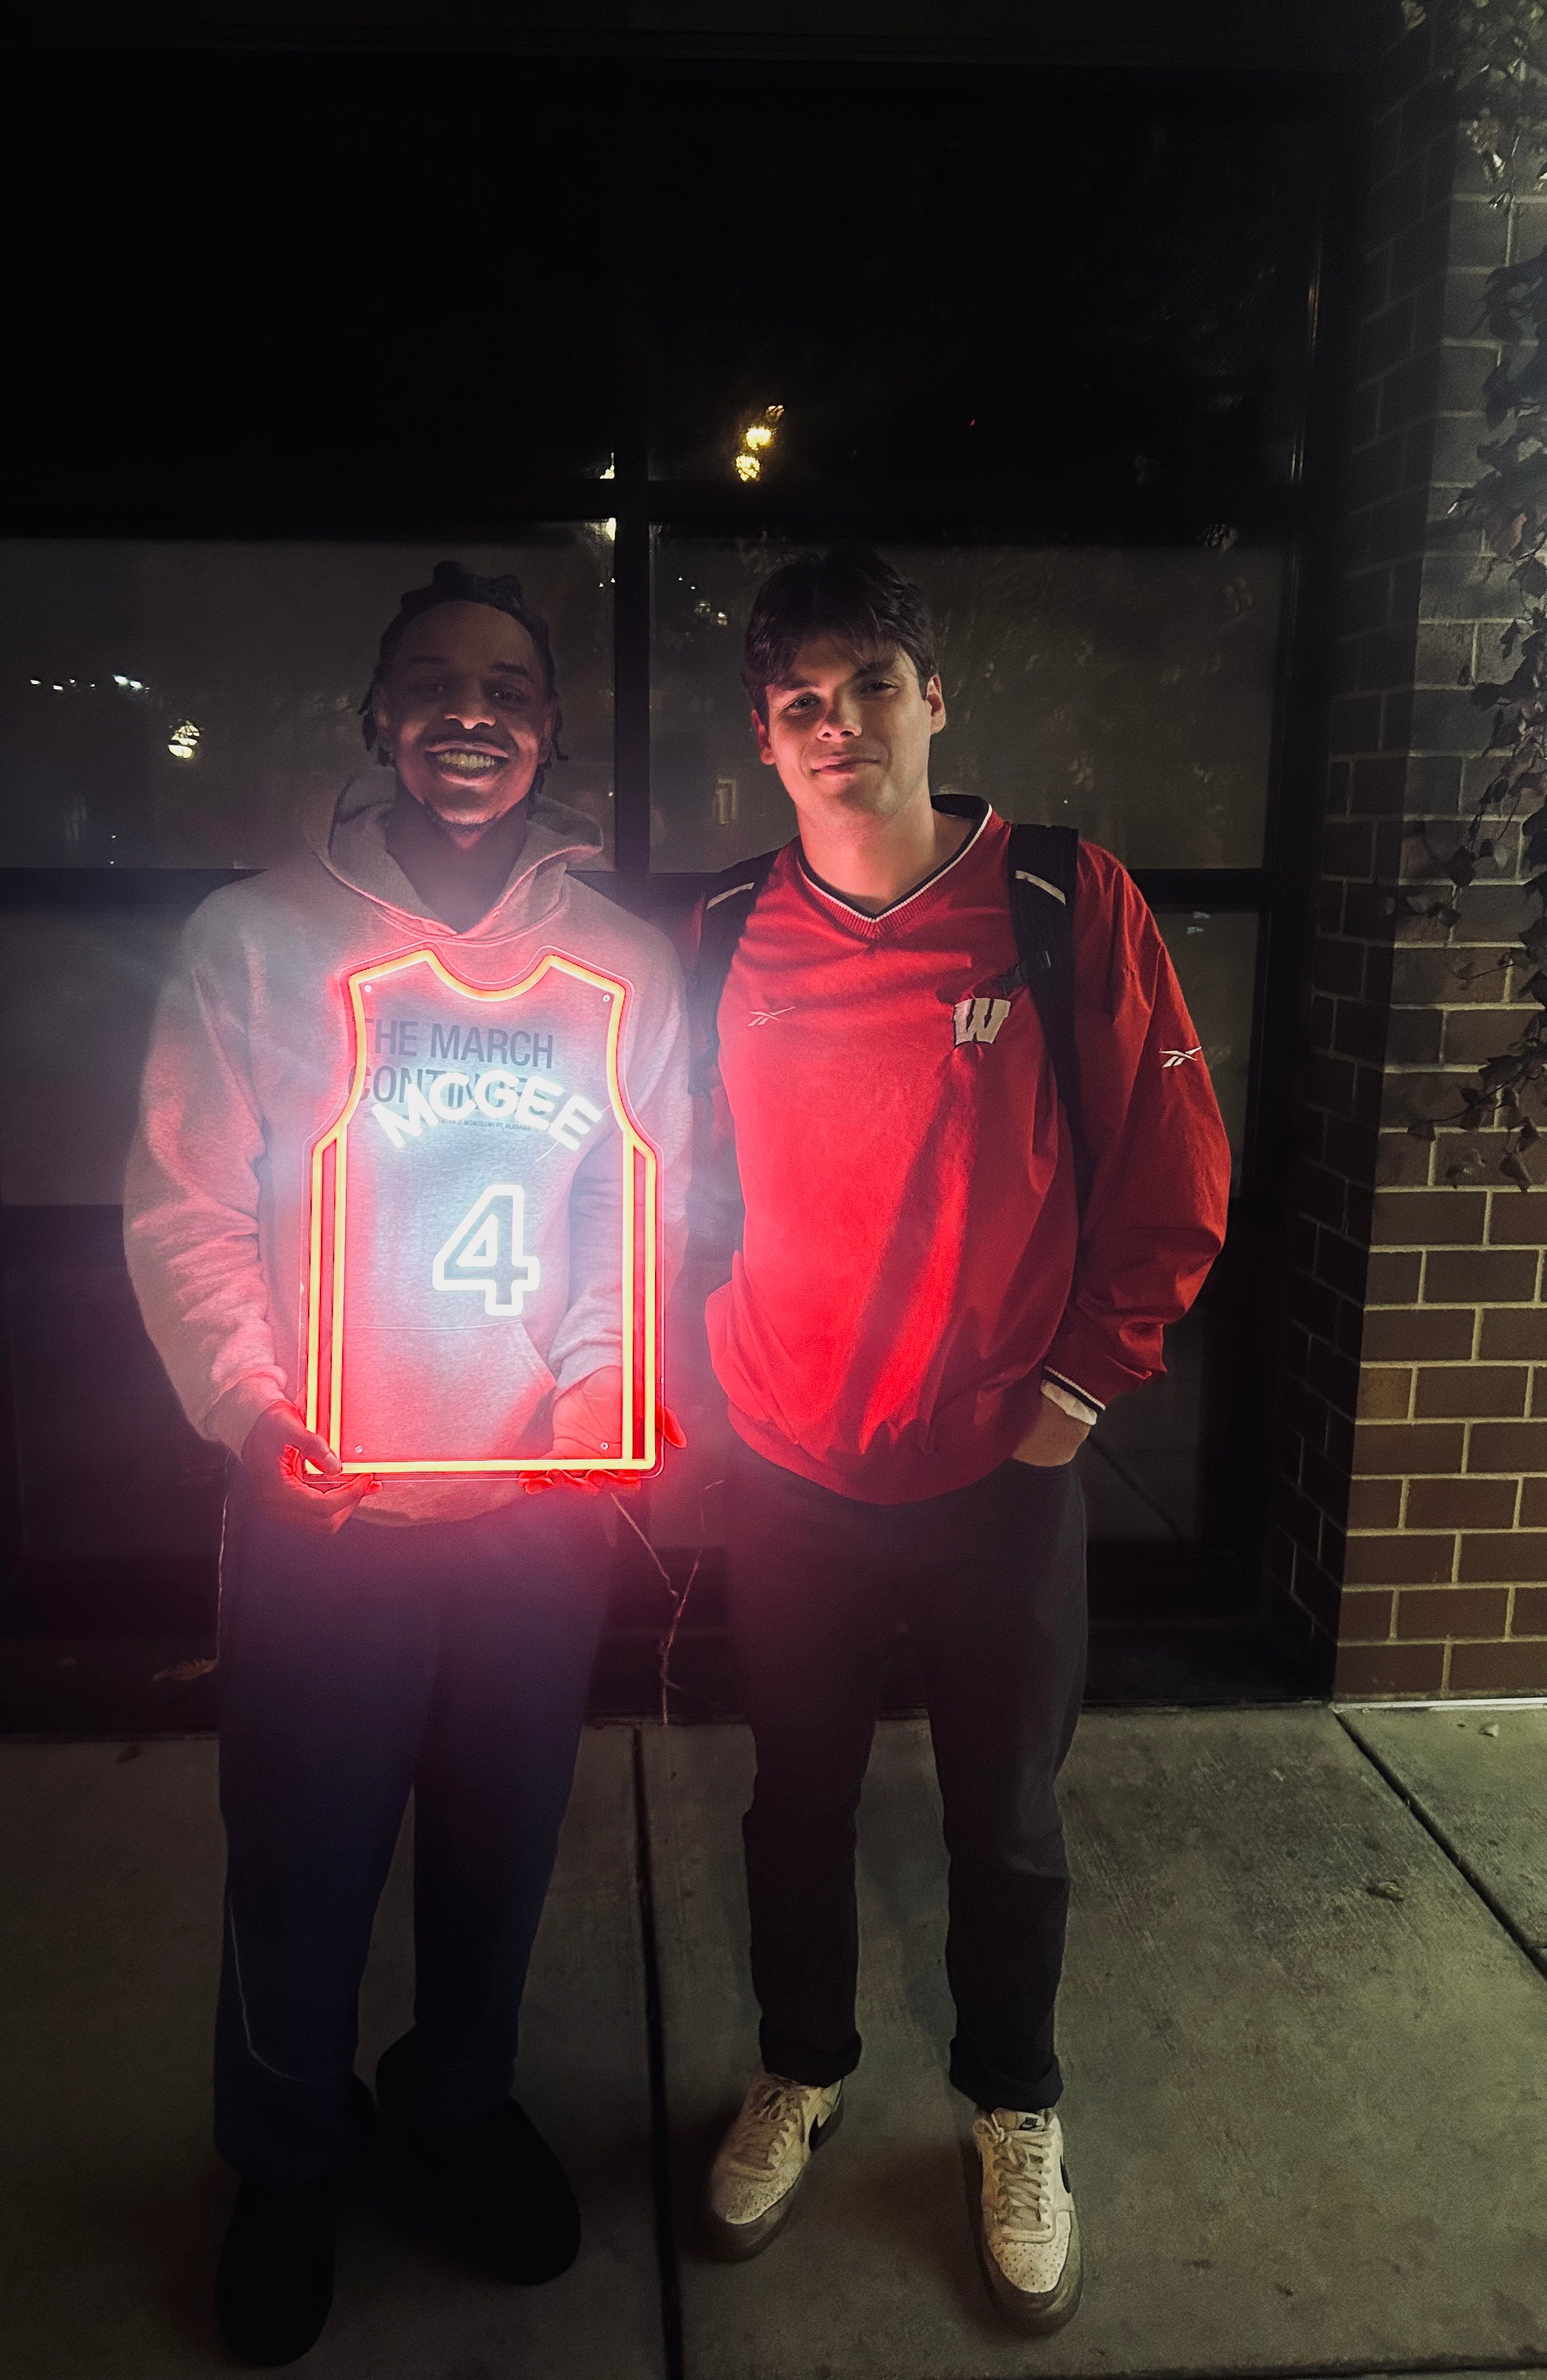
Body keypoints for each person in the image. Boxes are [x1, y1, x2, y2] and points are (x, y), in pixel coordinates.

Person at [125, 561, 689, 2366]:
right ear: (377, 718)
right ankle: (289, 2155)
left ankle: (454, 2106)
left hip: (531, 1510)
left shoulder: (623, 963)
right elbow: (188, 1208)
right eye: (434, 681)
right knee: (301, 1858)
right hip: (329, 1504)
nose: (471, 711)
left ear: (550, 729)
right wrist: (250, 1405)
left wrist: (602, 1390)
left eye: (509, 686)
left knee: (501, 1845)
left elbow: (628, 1207)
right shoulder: (255, 940)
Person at [691, 545, 1230, 2333]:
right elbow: (662, 1174)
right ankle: (801, 2067)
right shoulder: (721, 934)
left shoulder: (1062, 898)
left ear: (934, 698)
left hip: (1000, 1466)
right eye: (798, 700)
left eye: (869, 683)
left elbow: (1173, 1172)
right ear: (766, 740)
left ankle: (1015, 2105)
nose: (835, 723)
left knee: (1004, 1818)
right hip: (791, 1468)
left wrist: (1075, 1397)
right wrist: (702, 1377)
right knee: (797, 1800)